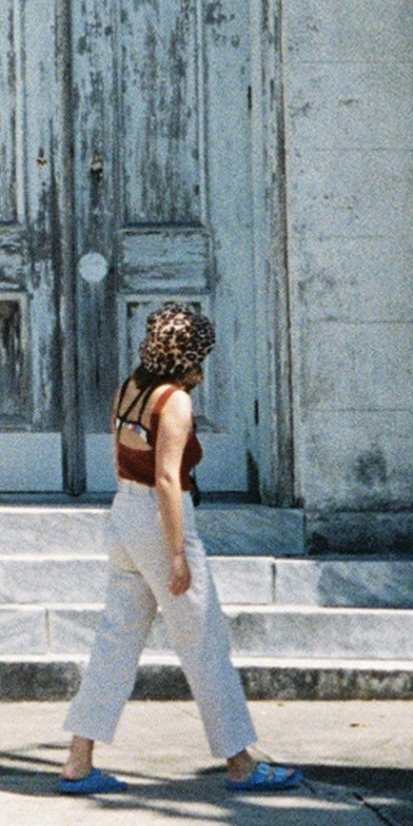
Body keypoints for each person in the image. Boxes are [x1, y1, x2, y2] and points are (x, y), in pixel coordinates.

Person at [60, 303, 303, 795]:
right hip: (159, 520)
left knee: (116, 640)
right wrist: (177, 556)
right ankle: (240, 763)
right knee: (205, 641)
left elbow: (121, 459)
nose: (202, 366)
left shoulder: (130, 389)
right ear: (187, 357)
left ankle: (78, 761)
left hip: (124, 516)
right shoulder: (174, 402)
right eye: (199, 355)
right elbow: (168, 480)